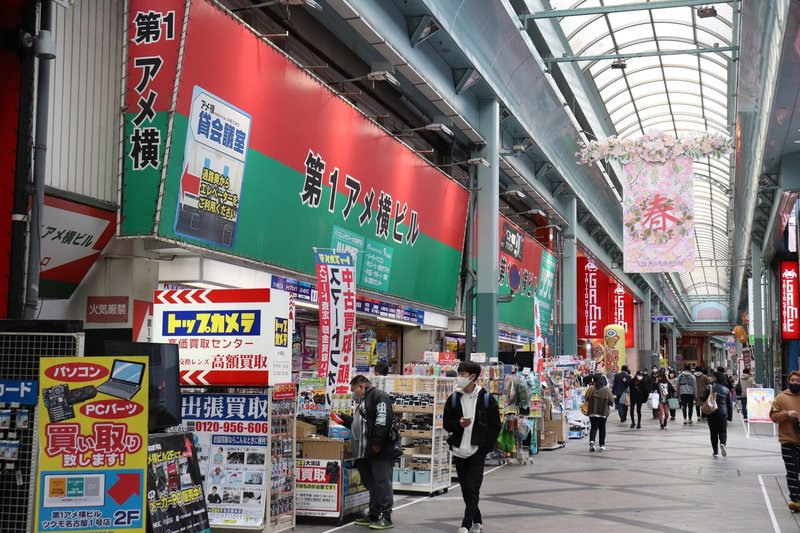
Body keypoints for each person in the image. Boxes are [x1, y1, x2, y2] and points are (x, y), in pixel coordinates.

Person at [443, 361, 502, 533]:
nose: (460, 377)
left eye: (463, 374)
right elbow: (446, 423)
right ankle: (478, 521)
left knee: (473, 487)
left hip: (477, 449)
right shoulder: (453, 399)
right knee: (465, 488)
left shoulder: (486, 399)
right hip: (459, 449)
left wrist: (485, 446)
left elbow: (495, 425)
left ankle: (465, 524)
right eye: (459, 373)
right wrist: (458, 423)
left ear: (473, 377)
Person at [337, 375, 400, 529]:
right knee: (372, 484)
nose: (354, 394)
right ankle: (373, 514)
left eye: (354, 391)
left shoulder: (378, 396)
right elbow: (361, 424)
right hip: (365, 451)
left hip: (379, 450)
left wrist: (377, 441)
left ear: (361, 386)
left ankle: (387, 516)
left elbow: (383, 420)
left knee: (382, 483)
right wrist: (344, 419)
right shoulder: (364, 401)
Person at [769, 371, 800, 512]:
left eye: (798, 381)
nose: (795, 383)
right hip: (788, 440)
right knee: (792, 471)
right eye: (793, 380)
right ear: (788, 381)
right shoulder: (781, 398)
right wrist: (786, 414)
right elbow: (773, 416)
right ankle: (795, 499)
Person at [700, 370, 733, 457]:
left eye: (712, 376)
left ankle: (715, 451)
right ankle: (722, 443)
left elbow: (703, 398)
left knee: (713, 432)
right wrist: (729, 416)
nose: (711, 378)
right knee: (723, 431)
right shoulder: (726, 389)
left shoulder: (708, 387)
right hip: (722, 413)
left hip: (711, 412)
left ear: (715, 377)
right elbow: (729, 404)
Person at [585, 373, 615, 451]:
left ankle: (592, 442)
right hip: (603, 412)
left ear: (594, 381)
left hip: (592, 412)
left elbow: (586, 398)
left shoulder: (591, 388)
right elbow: (612, 401)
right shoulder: (606, 389)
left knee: (594, 427)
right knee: (602, 428)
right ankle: (602, 444)